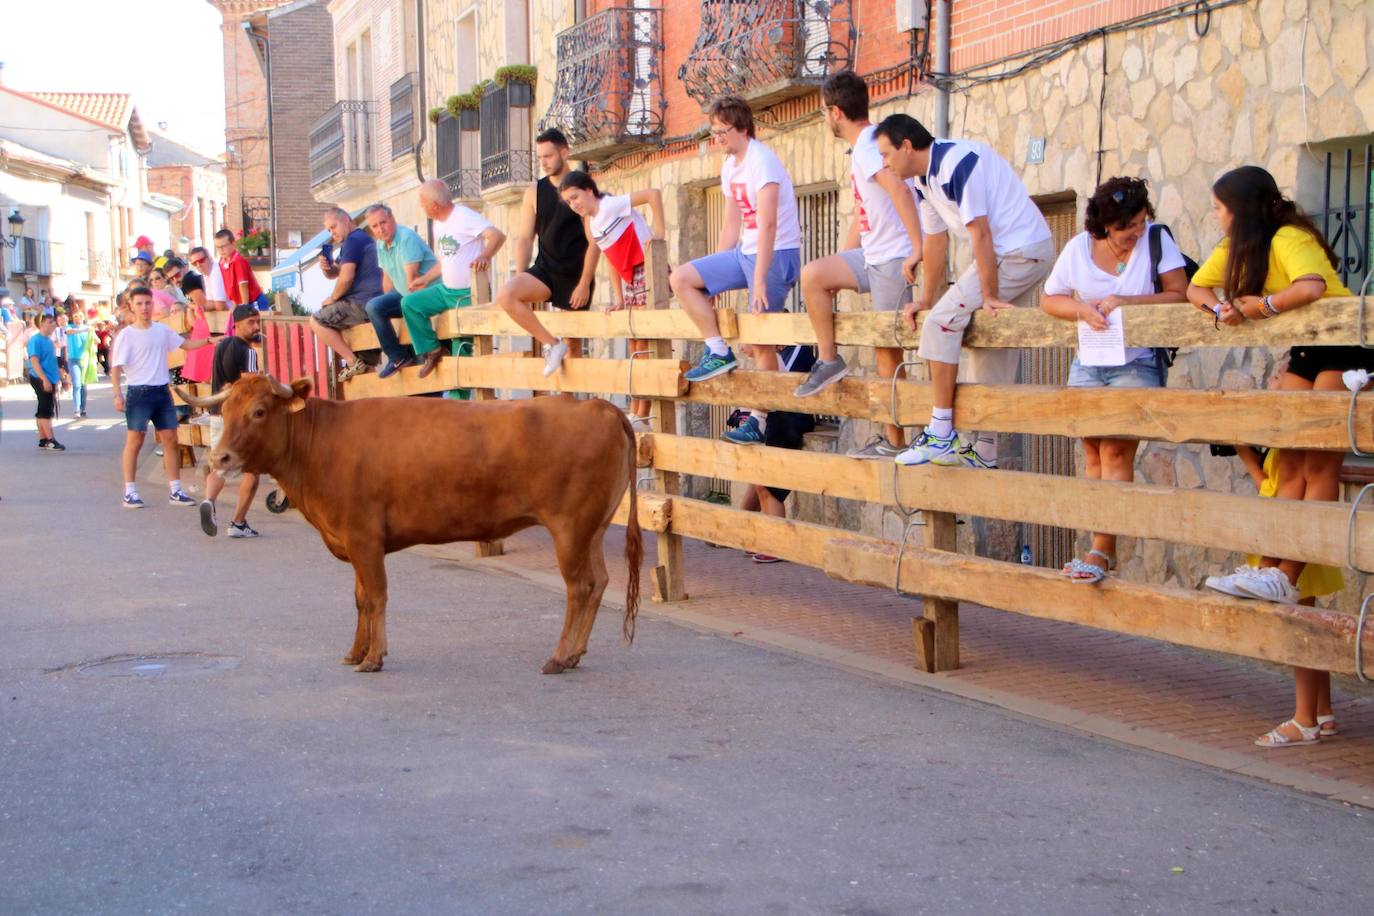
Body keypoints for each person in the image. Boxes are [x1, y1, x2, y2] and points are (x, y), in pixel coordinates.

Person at [1187, 165, 1366, 746]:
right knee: (1286, 458)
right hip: (1310, 349)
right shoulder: (1238, 248)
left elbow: (1312, 287)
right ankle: (1275, 571)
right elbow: (1196, 287)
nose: (1216, 219)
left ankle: (1281, 572)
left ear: (1240, 208)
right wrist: (1218, 308)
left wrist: (1258, 306)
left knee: (1316, 461)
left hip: (1345, 344)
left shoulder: (1290, 238)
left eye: (1219, 209)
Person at [871, 114, 1055, 470]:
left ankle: (941, 432)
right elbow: (935, 242)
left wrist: (988, 295)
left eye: (886, 154)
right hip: (1012, 252)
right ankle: (986, 450)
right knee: (985, 340)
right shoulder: (923, 181)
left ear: (907, 146)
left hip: (1019, 251)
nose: (885, 164)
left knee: (940, 324)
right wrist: (926, 298)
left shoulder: (957, 164)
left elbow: (981, 234)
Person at [1039, 177, 1189, 584]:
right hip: (1089, 361)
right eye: (1126, 228)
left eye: (1140, 222)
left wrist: (1128, 302)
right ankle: (1100, 545)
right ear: (1104, 226)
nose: (1135, 233)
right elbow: (1050, 298)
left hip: (1136, 362)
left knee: (1116, 451)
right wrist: (1081, 311)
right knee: (1092, 453)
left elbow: (1180, 294)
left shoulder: (1156, 241)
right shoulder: (1077, 250)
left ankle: (1101, 551)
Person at [793, 71, 924, 460]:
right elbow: (863, 213)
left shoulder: (869, 147)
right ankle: (829, 360)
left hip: (894, 258)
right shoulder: (864, 148)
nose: (825, 119)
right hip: (871, 255)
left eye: (824, 113)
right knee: (814, 275)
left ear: (835, 111)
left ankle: (894, 440)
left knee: (888, 354)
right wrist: (840, 264)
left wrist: (917, 248)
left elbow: (900, 190)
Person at [670, 95, 802, 393]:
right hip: (746, 251)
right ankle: (718, 351)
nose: (717, 139)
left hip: (777, 254)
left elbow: (769, 224)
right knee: (682, 279)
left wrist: (759, 281)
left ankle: (760, 420)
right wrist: (712, 281)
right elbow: (731, 224)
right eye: (713, 132)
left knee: (759, 340)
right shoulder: (730, 166)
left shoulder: (763, 161)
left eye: (722, 131)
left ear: (743, 129)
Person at [558, 171, 666, 427]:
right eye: (569, 202)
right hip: (630, 278)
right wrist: (618, 298)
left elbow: (653, 195)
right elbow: (612, 259)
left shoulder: (611, 205)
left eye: (575, 197)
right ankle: (637, 410)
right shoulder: (593, 224)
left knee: (645, 344)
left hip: (645, 268)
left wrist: (659, 233)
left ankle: (643, 414)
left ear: (589, 190)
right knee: (634, 344)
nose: (574, 205)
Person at [494, 128, 600, 377]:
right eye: (540, 157)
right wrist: (520, 275)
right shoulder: (534, 192)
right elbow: (524, 238)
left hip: (575, 275)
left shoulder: (581, 188)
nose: (543, 162)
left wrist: (584, 283)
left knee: (575, 347)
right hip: (545, 270)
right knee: (507, 295)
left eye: (549, 156)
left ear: (564, 153)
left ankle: (573, 408)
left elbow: (594, 241)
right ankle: (552, 344)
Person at [110, 286, 212, 509]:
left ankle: (175, 490)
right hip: (138, 392)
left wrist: (208, 341)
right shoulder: (126, 335)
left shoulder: (161, 330)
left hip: (162, 391)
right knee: (134, 442)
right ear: (132, 307)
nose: (145, 307)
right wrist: (117, 394)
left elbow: (185, 344)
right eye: (139, 304)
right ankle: (130, 491)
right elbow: (116, 368)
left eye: (148, 303)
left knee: (171, 440)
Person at [402, 180, 505, 379]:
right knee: (410, 304)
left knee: (461, 348)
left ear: (434, 205)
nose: (422, 208)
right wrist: (425, 279)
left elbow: (497, 236)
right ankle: (432, 349)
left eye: (423, 204)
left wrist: (485, 255)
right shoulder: (438, 225)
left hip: (468, 293)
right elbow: (446, 260)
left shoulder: (464, 216)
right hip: (446, 290)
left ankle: (462, 402)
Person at [200, 304, 265, 538]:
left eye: (257, 321)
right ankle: (238, 523)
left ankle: (209, 500)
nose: (256, 326)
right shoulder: (247, 351)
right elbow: (249, 382)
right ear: (237, 324)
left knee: (220, 464)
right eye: (251, 322)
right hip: (238, 420)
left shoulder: (223, 345)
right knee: (253, 470)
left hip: (217, 414)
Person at [309, 207, 386, 381]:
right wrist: (327, 268)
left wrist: (333, 299)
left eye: (333, 227)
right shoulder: (362, 239)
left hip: (359, 304)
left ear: (345, 220)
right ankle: (365, 375)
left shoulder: (353, 241)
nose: (332, 232)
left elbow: (345, 279)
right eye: (328, 230)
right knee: (367, 367)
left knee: (316, 321)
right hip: (373, 306)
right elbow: (336, 272)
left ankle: (351, 362)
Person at [365, 203, 438, 378]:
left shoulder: (406, 238)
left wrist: (406, 312)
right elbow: (387, 279)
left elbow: (411, 280)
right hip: (405, 293)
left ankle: (425, 352)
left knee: (404, 304)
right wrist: (384, 305)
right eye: (375, 226)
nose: (380, 229)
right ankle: (397, 357)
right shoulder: (381, 245)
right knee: (373, 307)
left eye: (383, 222)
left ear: (392, 219)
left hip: (427, 292)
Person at [27, 312, 68, 451]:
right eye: (50, 322)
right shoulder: (36, 340)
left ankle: (43, 438)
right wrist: (44, 379)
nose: (53, 325)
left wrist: (60, 377)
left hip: (50, 377)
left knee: (43, 408)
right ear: (42, 324)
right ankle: (50, 439)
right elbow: (34, 361)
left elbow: (52, 361)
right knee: (46, 409)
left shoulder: (49, 341)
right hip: (40, 377)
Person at [214, 228, 265, 309]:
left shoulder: (238, 261)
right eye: (218, 247)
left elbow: (243, 286)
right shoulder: (222, 262)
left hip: (254, 301)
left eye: (223, 246)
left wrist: (245, 309)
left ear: (233, 244)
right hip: (240, 303)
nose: (221, 250)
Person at [64, 309, 93, 418]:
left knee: (83, 386)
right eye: (75, 316)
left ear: (83, 318)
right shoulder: (70, 327)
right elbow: (68, 332)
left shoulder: (88, 329)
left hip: (84, 360)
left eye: (79, 316)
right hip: (73, 359)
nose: (77, 318)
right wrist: (84, 330)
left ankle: (82, 408)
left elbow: (96, 340)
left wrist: (94, 338)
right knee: (76, 384)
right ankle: (76, 409)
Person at [187, 246, 228, 312]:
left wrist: (197, 307)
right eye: (194, 263)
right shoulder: (207, 273)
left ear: (209, 258)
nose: (198, 265)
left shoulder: (216, 271)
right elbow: (211, 302)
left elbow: (220, 307)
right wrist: (198, 307)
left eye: (201, 261)